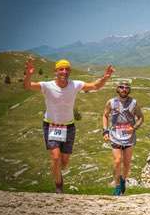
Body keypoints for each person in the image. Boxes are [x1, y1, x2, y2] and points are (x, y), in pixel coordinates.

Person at [24, 58, 114, 193]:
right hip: (51, 125)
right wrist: (29, 73)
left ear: (69, 72)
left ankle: (58, 172)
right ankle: (58, 185)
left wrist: (105, 77)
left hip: (68, 126)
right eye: (61, 69)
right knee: (55, 157)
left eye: (67, 69)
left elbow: (95, 86)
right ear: (56, 71)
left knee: (64, 162)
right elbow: (28, 86)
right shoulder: (47, 86)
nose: (64, 72)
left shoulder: (75, 85)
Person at [103, 81, 144, 196]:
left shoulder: (134, 103)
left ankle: (123, 181)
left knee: (126, 163)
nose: (124, 89)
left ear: (129, 90)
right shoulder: (111, 102)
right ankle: (116, 186)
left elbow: (141, 118)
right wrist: (105, 131)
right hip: (115, 135)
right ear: (117, 89)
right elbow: (105, 115)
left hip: (129, 137)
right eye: (121, 87)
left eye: (126, 87)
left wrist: (134, 128)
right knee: (117, 161)